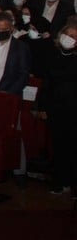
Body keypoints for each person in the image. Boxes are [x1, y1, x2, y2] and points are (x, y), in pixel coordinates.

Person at [35, 19, 77, 196]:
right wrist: (42, 107)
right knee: (58, 147)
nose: (69, 38)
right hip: (55, 109)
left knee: (74, 147)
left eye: (74, 36)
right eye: (67, 35)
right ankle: (60, 181)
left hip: (74, 110)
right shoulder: (53, 55)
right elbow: (46, 83)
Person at [0, 11, 31, 95]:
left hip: (9, 92)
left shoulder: (21, 47)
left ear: (11, 28)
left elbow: (23, 75)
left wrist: (9, 92)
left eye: (4, 29)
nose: (0, 31)